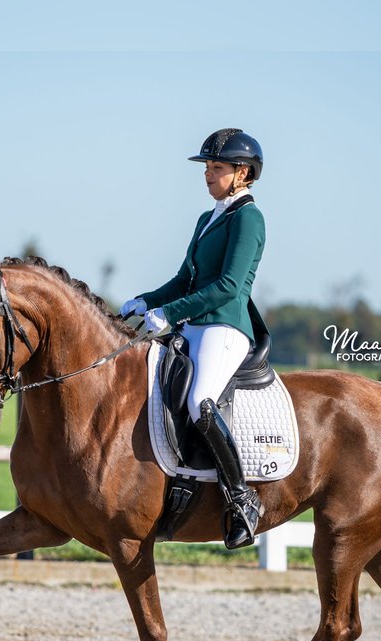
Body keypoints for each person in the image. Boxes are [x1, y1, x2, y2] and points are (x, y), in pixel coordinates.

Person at [122, 128, 269, 550]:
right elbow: (185, 279)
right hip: (193, 325)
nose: (208, 174)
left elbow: (227, 285)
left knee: (199, 400)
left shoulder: (249, 219)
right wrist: (145, 300)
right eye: (206, 167)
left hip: (225, 327)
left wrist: (168, 313)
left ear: (242, 173)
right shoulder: (207, 219)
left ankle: (241, 497)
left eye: (217, 167)